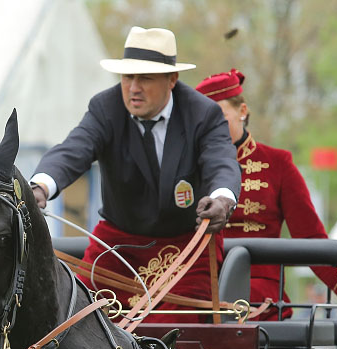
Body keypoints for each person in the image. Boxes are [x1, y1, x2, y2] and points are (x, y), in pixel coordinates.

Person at [31, 26, 241, 322]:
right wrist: (39, 186)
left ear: (172, 80)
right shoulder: (105, 108)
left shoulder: (203, 114)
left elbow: (222, 162)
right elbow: (73, 150)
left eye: (145, 78)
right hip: (118, 246)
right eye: (127, 77)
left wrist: (222, 199)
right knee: (78, 320)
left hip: (187, 247)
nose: (133, 87)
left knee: (173, 335)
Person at [194, 68, 337, 320]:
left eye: (219, 117)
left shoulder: (278, 164)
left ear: (242, 111)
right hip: (197, 294)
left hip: (260, 300)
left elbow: (311, 238)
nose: (211, 128)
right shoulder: (188, 165)